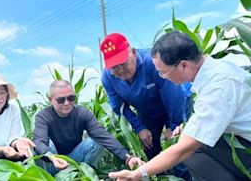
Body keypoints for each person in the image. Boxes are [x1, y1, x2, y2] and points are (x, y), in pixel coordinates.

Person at [109, 31, 251, 180]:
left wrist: (136, 174)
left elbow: (184, 149)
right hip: (241, 138)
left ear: (183, 66)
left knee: (189, 152)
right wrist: (189, 126)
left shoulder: (218, 87)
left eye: (163, 73)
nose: (162, 77)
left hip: (246, 143)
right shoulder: (215, 72)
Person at [100, 33, 193, 180]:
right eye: (114, 67)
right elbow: (120, 107)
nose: (121, 70)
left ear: (134, 53)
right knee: (149, 148)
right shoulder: (108, 77)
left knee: (179, 147)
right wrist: (140, 128)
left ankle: (186, 177)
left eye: (123, 63)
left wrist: (173, 125)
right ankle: (161, 177)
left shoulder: (153, 63)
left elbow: (174, 94)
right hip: (148, 111)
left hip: (177, 104)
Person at [33, 80, 144, 175]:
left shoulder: (82, 113)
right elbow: (39, 141)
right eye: (61, 100)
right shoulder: (43, 116)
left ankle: (85, 173)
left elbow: (102, 136)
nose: (67, 103)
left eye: (71, 98)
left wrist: (127, 157)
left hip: (75, 159)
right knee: (43, 145)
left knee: (96, 141)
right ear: (50, 99)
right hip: (52, 162)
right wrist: (51, 157)